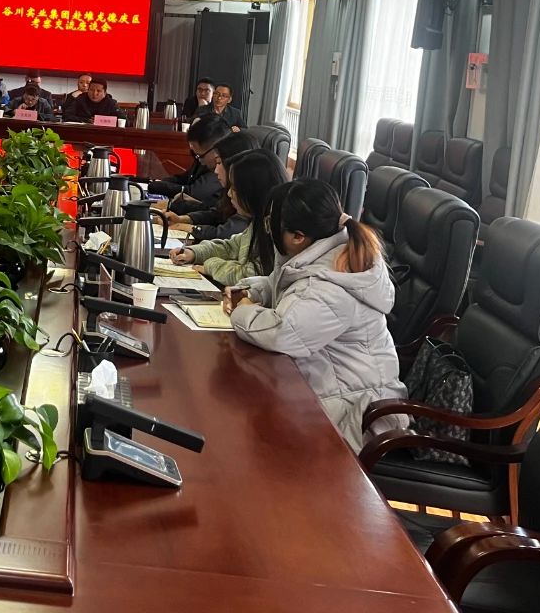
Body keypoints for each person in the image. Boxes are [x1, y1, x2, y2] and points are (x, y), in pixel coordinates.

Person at [224, 179, 408, 452]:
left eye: (271, 225)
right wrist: (252, 292)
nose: (269, 231)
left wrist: (242, 310)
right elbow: (287, 287)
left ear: (298, 237)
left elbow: (283, 333)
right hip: (326, 388)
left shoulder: (333, 284)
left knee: (246, 433)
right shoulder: (325, 251)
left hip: (356, 412)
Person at [170, 150, 286, 285]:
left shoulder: (276, 229)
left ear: (254, 191)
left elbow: (252, 275)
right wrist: (193, 253)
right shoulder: (258, 221)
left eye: (235, 189)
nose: (229, 194)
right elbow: (230, 247)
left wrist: (210, 266)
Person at [167, 131, 259, 240]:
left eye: (219, 163)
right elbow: (217, 213)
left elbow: (224, 234)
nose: (216, 170)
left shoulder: (248, 201)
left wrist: (187, 227)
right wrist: (182, 219)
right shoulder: (229, 192)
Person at [149, 115, 230, 214]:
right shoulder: (205, 159)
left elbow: (197, 195)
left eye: (200, 156)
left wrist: (171, 205)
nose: (199, 160)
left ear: (215, 149)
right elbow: (208, 208)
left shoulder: (226, 169)